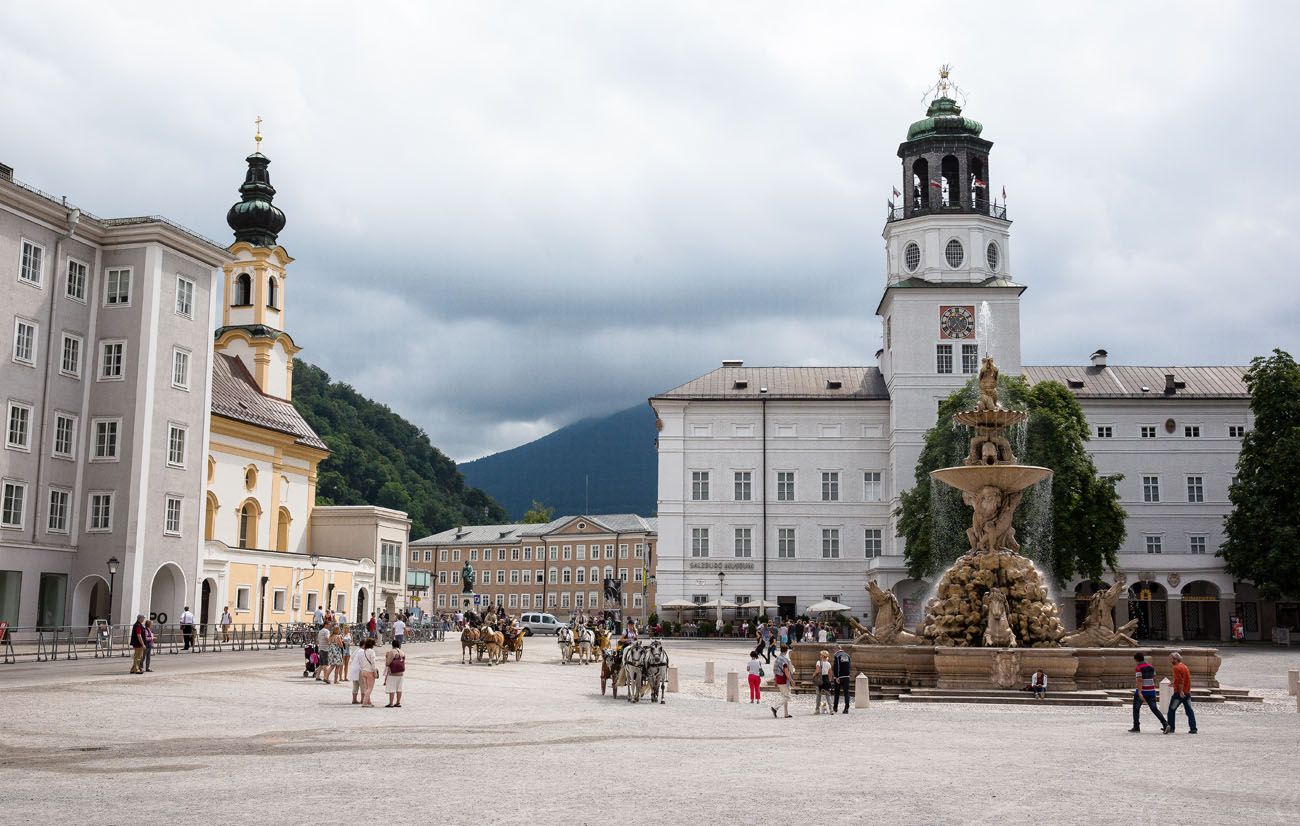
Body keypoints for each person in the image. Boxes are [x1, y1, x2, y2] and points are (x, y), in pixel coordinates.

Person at [1130, 652, 1169, 733]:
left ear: (1136, 659)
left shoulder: (1138, 668)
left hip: (1142, 691)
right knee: (1154, 708)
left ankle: (1136, 726)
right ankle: (1165, 724)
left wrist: (1140, 692)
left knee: (1136, 709)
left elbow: (1139, 680)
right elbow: (1154, 678)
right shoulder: (1151, 667)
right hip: (1151, 691)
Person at [1166, 652, 1198, 734]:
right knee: (1189, 711)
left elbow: (1180, 681)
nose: (1171, 660)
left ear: (1176, 659)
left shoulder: (1176, 668)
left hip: (1179, 693)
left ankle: (1171, 727)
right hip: (1187, 692)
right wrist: (1174, 682)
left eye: (1172, 659)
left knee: (1171, 710)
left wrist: (1180, 691)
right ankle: (1193, 728)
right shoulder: (1184, 666)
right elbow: (1184, 679)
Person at [770, 644, 794, 719]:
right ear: (786, 651)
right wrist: (791, 680)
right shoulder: (785, 659)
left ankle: (786, 714)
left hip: (778, 678)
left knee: (784, 696)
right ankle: (775, 708)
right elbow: (786, 671)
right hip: (784, 680)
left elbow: (775, 670)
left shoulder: (777, 658)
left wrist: (775, 680)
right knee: (787, 697)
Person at [384, 639, 407, 708]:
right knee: (399, 688)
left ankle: (391, 703)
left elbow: (387, 663)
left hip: (393, 673)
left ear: (392, 645)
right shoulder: (402, 652)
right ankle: (398, 702)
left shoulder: (392, 652)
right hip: (401, 673)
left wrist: (386, 657)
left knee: (392, 688)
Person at [358, 638, 379, 707]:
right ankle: (364, 703)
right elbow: (373, 662)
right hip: (369, 671)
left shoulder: (364, 651)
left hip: (363, 671)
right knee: (370, 688)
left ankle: (368, 701)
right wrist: (375, 671)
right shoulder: (371, 651)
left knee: (366, 688)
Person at [831, 644, 852, 714]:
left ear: (837, 649)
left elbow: (836, 667)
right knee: (846, 692)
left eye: (834, 649)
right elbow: (849, 666)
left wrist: (837, 676)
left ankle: (835, 707)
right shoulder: (847, 655)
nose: (833, 651)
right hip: (847, 676)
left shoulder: (837, 656)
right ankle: (846, 707)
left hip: (839, 677)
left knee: (837, 693)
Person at [813, 650, 833, 714]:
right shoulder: (828, 663)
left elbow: (818, 670)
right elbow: (830, 673)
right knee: (828, 695)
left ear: (822, 656)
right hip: (826, 679)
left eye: (820, 655)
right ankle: (831, 709)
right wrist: (829, 680)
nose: (820, 656)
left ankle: (817, 710)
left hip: (820, 679)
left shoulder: (819, 662)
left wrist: (814, 674)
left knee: (818, 695)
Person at [348, 633, 364, 704]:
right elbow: (362, 661)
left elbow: (352, 657)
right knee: (362, 685)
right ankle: (362, 700)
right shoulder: (362, 651)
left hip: (353, 669)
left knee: (355, 685)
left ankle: (354, 699)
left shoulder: (357, 650)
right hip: (359, 670)